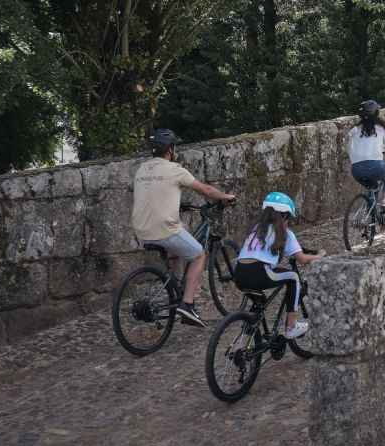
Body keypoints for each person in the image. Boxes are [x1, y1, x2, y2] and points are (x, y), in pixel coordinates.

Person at [131, 128, 236, 327]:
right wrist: (225, 196)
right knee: (198, 255)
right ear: (170, 150)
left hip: (142, 231)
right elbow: (204, 189)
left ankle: (174, 282)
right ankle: (187, 304)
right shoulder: (175, 169)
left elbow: (155, 195)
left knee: (183, 228)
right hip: (163, 230)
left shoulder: (141, 170)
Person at [234, 192, 326, 339]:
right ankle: (291, 326)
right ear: (284, 216)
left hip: (239, 274)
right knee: (294, 277)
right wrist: (319, 255)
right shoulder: (284, 232)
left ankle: (242, 348)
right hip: (259, 272)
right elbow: (301, 258)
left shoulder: (255, 228)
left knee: (258, 303)